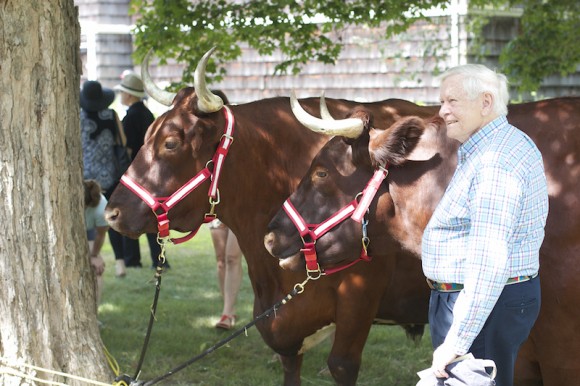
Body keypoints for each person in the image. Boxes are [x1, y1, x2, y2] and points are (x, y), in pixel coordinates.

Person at [421, 64, 549, 386]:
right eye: (441, 101)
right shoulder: (501, 145)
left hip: (483, 305)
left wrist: (456, 341)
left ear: (486, 102)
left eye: (452, 101)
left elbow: (489, 260)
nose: (442, 111)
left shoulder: (495, 162)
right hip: (488, 301)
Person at [114, 71, 169, 270]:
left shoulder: (130, 117)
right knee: (153, 217)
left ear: (129, 95)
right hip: (152, 174)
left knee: (130, 216)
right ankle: (159, 258)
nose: (121, 96)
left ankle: (132, 259)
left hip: (136, 175)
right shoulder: (148, 114)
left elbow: (128, 148)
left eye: (123, 92)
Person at [80, 80, 129, 277]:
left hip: (85, 178)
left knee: (88, 218)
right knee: (110, 218)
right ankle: (120, 263)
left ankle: (89, 256)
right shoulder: (112, 115)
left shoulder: (79, 116)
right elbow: (123, 141)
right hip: (109, 176)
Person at [208, 220, 243, 330]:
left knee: (232, 258)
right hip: (218, 210)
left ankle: (226, 314)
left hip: (238, 209)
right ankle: (229, 308)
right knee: (221, 261)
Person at [83, 179, 109, 306]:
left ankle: (94, 313)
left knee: (97, 269)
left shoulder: (101, 209)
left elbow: (100, 234)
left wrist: (94, 255)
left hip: (88, 233)